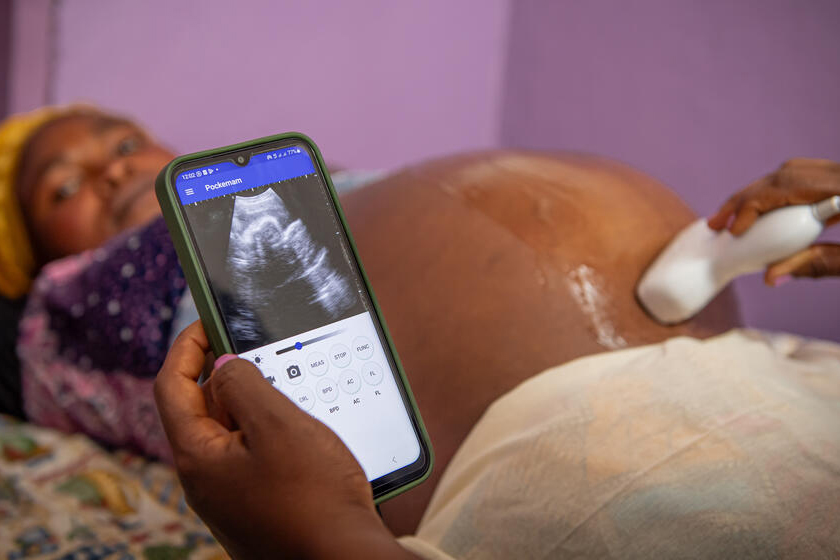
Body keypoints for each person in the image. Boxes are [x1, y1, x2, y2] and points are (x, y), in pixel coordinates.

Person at [155, 153, 840, 558]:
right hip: (741, 401)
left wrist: (317, 541)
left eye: (123, 142)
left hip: (753, 385)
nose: (113, 170)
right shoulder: (153, 293)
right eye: (63, 188)